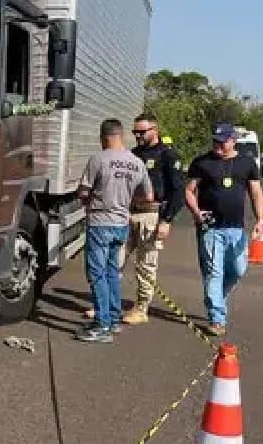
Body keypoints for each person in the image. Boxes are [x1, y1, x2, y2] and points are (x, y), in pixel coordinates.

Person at [185, 122, 263, 336]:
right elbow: (188, 190)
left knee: (238, 270)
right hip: (210, 228)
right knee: (214, 272)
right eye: (215, 141)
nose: (218, 145)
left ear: (233, 141)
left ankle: (216, 298)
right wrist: (196, 212)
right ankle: (217, 318)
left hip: (236, 228)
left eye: (222, 142)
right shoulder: (202, 163)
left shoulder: (247, 163)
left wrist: (260, 219)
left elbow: (256, 192)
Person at [75, 119, 154, 344]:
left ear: (104, 137)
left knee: (97, 273)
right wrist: (127, 199)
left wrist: (87, 198)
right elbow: (148, 196)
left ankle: (102, 324)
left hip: (100, 222)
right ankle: (114, 318)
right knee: (112, 272)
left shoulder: (98, 159)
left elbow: (83, 192)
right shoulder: (137, 162)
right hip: (121, 224)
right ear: (121, 136)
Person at [119, 112, 185, 325]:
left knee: (146, 264)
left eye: (141, 132)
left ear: (154, 130)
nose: (137, 135)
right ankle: (107, 302)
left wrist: (166, 220)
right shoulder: (133, 154)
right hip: (129, 212)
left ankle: (141, 307)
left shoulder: (168, 155)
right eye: (134, 132)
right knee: (115, 259)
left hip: (152, 214)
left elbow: (178, 191)